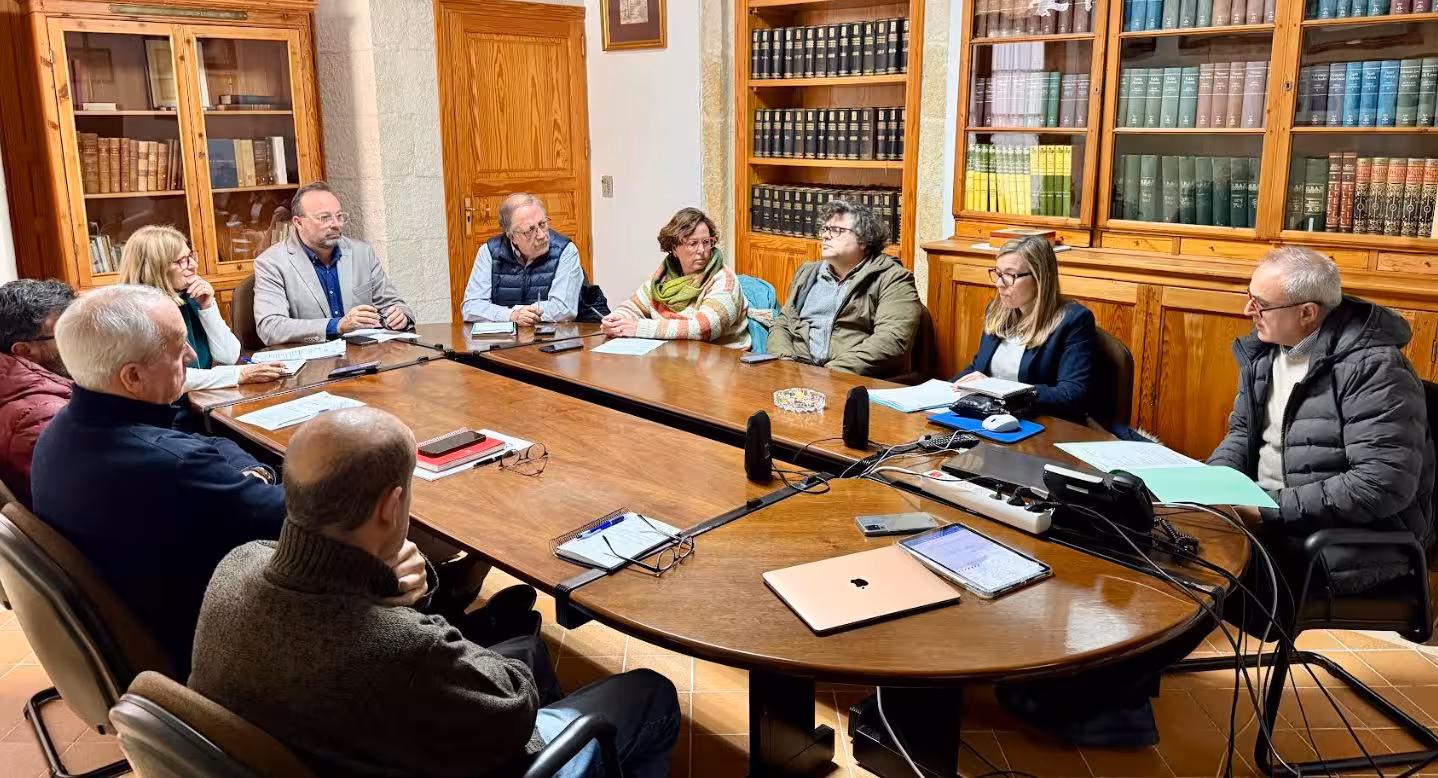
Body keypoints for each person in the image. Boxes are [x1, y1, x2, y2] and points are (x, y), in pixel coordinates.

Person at [189, 407, 681, 778]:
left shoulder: (235, 566)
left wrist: (379, 591)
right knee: (650, 691)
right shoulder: (404, 648)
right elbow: (514, 702)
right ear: (392, 505)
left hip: (326, 739)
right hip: (464, 745)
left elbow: (338, 625)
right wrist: (413, 609)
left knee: (528, 646)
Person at [30, 284, 286, 672]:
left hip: (136, 621)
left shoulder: (62, 428)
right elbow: (299, 518)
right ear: (131, 376)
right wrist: (266, 472)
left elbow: (202, 441)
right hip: (210, 647)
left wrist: (251, 472)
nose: (191, 355)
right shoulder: (171, 465)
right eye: (177, 346)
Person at [1209, 247, 1435, 607]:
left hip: (1344, 539)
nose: (1248, 311)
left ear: (1308, 313)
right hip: (1272, 516)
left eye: (1260, 304)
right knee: (1162, 541)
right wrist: (1212, 486)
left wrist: (1266, 509)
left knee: (1206, 581)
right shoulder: (1266, 353)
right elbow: (1241, 434)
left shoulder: (1376, 369)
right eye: (1249, 297)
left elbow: (1380, 485)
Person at [118, 225, 287, 391]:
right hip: (167, 414)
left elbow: (229, 356)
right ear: (154, 268)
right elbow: (169, 377)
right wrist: (238, 375)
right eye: (180, 261)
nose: (192, 265)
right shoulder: (136, 315)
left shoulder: (189, 297)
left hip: (203, 402)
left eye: (190, 256)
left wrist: (208, 306)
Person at [765, 200, 920, 378]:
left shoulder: (893, 278)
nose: (825, 236)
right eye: (824, 229)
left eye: (837, 230)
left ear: (863, 240)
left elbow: (893, 339)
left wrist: (831, 373)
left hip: (853, 378)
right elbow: (783, 323)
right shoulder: (808, 272)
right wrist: (785, 363)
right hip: (798, 372)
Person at [952, 236, 1097, 423]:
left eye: (1010, 275)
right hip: (989, 417)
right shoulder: (996, 311)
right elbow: (979, 368)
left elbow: (1072, 394)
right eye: (998, 273)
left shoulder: (1074, 320)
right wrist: (948, 388)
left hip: (1041, 423)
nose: (999, 284)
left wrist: (997, 388)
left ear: (1040, 278)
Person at [253, 181, 416, 345]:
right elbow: (270, 328)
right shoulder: (271, 263)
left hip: (364, 357)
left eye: (339, 216)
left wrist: (400, 317)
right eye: (325, 218)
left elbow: (395, 304)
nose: (336, 224)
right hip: (312, 363)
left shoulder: (362, 253)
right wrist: (337, 325)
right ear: (298, 222)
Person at [600, 207, 750, 348]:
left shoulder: (724, 280)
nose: (702, 250)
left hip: (723, 363)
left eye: (706, 242)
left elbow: (704, 328)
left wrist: (639, 328)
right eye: (693, 243)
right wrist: (616, 321)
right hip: (678, 358)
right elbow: (634, 306)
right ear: (674, 249)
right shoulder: (663, 278)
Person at [0, 279, 74, 507]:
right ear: (24, 351)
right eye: (67, 333)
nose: (82, 339)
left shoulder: (23, 391)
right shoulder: (40, 417)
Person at [462, 193, 584, 324]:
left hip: (550, 339)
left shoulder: (565, 250)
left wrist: (523, 313)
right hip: (502, 340)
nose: (542, 235)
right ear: (512, 237)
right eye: (530, 231)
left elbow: (563, 309)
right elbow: (471, 307)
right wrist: (511, 315)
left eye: (542, 224)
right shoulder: (489, 252)